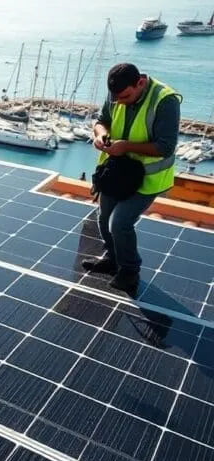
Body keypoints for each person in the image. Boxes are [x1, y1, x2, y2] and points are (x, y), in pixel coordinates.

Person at [83, 62, 181, 294]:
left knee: (120, 223)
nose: (121, 102)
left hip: (148, 177)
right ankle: (112, 258)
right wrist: (101, 135)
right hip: (116, 173)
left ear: (140, 83)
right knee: (103, 217)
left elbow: (165, 147)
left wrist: (125, 146)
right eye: (117, 98)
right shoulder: (117, 91)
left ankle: (129, 270)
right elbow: (101, 120)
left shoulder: (165, 101)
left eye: (126, 97)